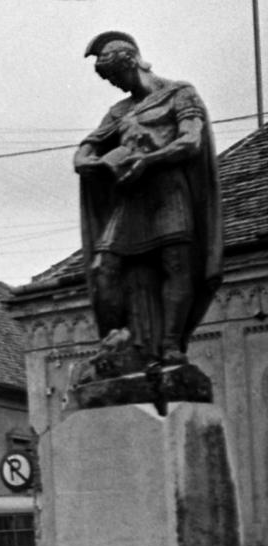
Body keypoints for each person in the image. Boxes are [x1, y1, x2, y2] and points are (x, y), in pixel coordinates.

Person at [74, 31, 222, 366]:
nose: (113, 84)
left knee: (176, 266)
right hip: (131, 196)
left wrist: (149, 160)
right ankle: (118, 341)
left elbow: (191, 141)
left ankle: (170, 346)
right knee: (104, 269)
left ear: (129, 62)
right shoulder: (119, 111)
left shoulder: (179, 94)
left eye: (114, 76)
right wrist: (89, 162)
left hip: (169, 191)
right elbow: (87, 148)